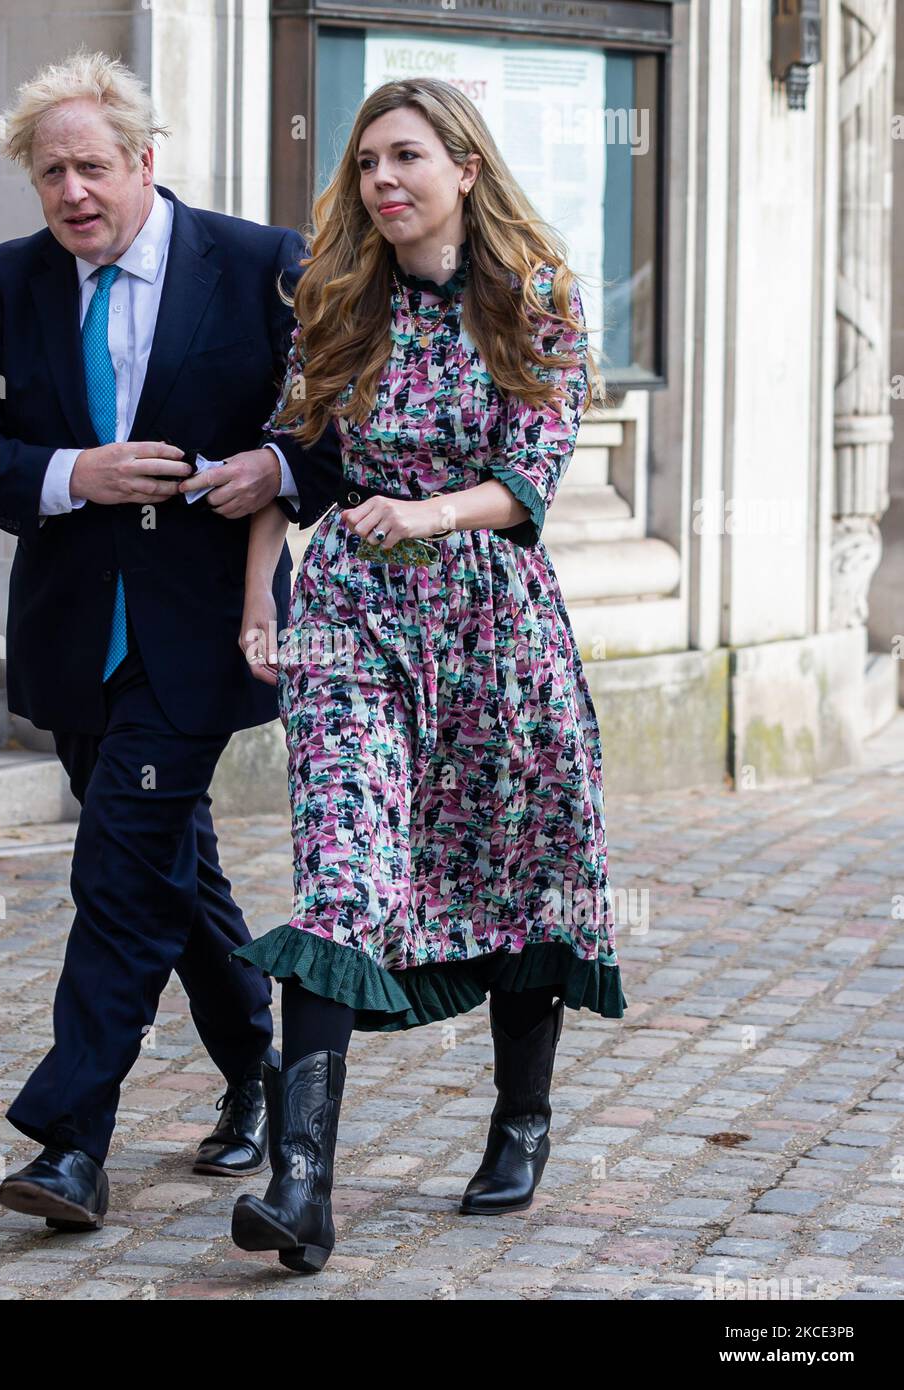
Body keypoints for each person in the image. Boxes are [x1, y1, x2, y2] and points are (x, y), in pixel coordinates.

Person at [0, 50, 342, 1232]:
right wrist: (71, 473)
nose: (71, 194)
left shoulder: (259, 265)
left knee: (114, 869)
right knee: (167, 867)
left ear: (145, 160)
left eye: (91, 167)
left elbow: (334, 426)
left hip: (200, 634)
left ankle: (70, 1142)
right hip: (70, 638)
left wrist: (277, 466)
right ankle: (254, 1071)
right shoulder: (9, 281)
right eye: (49, 173)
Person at [228, 76, 628, 1273]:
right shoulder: (334, 295)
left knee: (519, 865)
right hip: (352, 615)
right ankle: (300, 1187)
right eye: (364, 165)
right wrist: (261, 590)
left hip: (494, 619)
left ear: (463, 164)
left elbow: (529, 479)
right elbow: (292, 453)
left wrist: (425, 513)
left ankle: (519, 1114)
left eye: (404, 157)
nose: (381, 182)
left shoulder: (535, 294)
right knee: (339, 865)